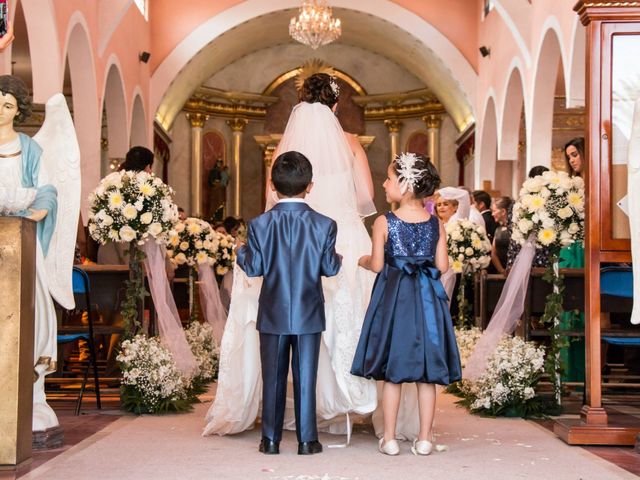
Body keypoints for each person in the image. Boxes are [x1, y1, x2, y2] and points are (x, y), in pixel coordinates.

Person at [204, 73, 378, 437]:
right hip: (342, 235)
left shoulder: (286, 149)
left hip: (290, 243)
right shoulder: (351, 143)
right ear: (335, 105)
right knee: (348, 318)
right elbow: (365, 198)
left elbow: (273, 202)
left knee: (287, 322)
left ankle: (293, 412)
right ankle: (348, 402)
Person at [352, 153, 461, 455]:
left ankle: (388, 439)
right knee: (427, 373)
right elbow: (442, 265)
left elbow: (376, 265)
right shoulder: (436, 223)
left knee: (393, 371)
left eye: (388, 178)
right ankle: (424, 438)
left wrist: (361, 260)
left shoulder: (384, 222)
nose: (384, 184)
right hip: (427, 300)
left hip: (395, 299)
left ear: (404, 183)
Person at [236, 151, 341, 455]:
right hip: (309, 312)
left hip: (273, 311)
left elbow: (254, 267)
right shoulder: (325, 224)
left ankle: (270, 440)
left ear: (271, 185)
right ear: (310, 185)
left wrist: (240, 251)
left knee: (273, 377)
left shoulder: (259, 224)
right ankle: (307, 441)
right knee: (306, 377)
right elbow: (330, 268)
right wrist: (339, 257)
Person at [0, 75, 80, 431]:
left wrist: (39, 210)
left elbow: (48, 190)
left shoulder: (30, 149)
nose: (0, 110)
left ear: (18, 112)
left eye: (7, 105)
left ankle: (30, 401)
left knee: (27, 321)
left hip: (21, 245)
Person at [490, 196, 513, 275]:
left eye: (494, 211)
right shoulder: (498, 229)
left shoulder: (516, 230)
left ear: (503, 211)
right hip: (501, 273)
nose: (492, 214)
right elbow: (493, 253)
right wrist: (501, 270)